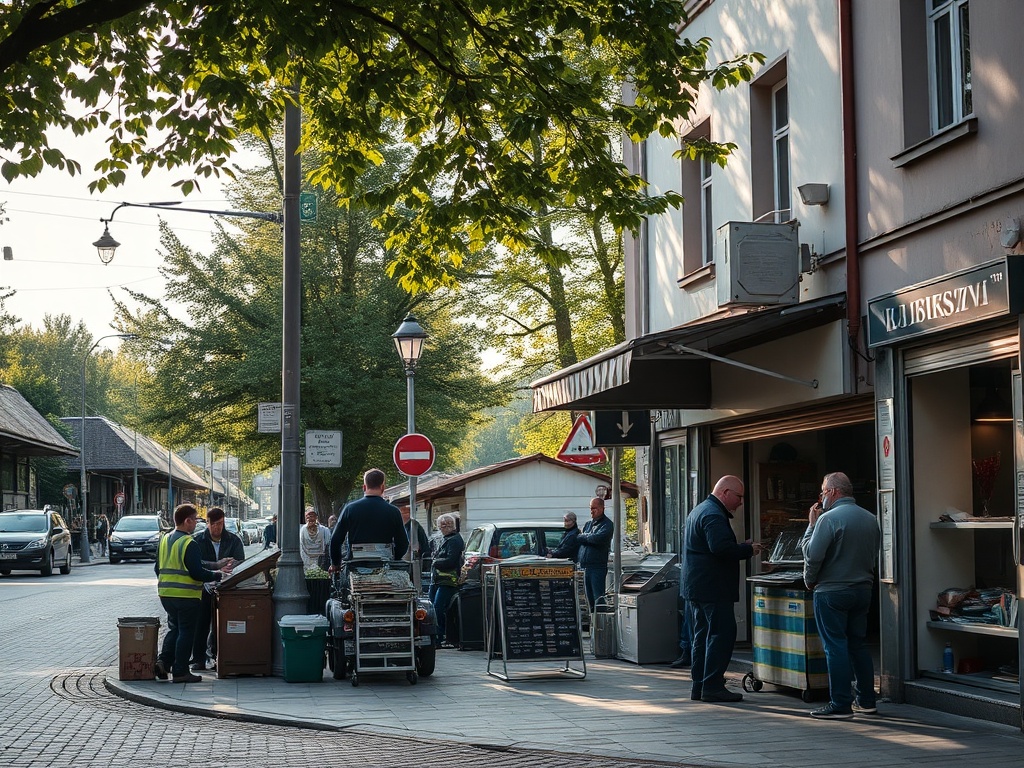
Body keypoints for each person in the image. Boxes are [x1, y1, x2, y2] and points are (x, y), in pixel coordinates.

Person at [802, 471, 880, 720]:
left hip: (832, 591)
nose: (821, 497)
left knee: (835, 646)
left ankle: (840, 703)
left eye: (823, 491)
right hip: (863, 590)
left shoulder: (828, 519)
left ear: (834, 492)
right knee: (858, 644)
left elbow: (812, 555)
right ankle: (867, 700)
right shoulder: (871, 519)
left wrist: (811, 526)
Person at [681, 475, 764, 703]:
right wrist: (748, 550)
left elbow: (713, 547)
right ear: (725, 492)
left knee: (702, 635)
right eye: (739, 496)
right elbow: (719, 548)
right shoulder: (713, 515)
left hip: (697, 587)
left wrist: (739, 547)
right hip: (713, 588)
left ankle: (699, 685)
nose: (741, 502)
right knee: (721, 635)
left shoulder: (700, 510)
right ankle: (713, 686)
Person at [154, 503, 231, 683]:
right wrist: (218, 575)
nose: (197, 523)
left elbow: (158, 567)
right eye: (195, 519)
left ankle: (163, 662)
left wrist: (215, 565)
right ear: (187, 521)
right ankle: (180, 671)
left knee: (175, 629)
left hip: (166, 594)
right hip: (186, 596)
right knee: (186, 632)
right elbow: (197, 572)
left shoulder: (165, 539)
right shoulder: (189, 542)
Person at [189, 506, 245, 671]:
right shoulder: (198, 541)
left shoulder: (233, 540)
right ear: (207, 523)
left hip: (226, 587)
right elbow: (196, 563)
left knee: (221, 624)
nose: (217, 527)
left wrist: (231, 565)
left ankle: (217, 656)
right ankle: (198, 658)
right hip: (204, 587)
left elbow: (240, 560)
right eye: (213, 524)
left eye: (220, 523)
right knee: (201, 623)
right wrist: (214, 568)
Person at [329, 468, 409, 565]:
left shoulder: (350, 509)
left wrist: (335, 564)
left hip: (356, 563)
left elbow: (335, 540)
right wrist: (395, 557)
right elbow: (403, 543)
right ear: (383, 488)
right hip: (384, 562)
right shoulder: (394, 511)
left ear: (364, 487)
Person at [429, 513, 465, 647]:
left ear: (453, 525)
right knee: (432, 607)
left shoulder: (455, 540)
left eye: (447, 524)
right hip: (438, 580)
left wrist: (435, 562)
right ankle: (436, 636)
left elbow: (451, 561)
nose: (444, 527)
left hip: (448, 580)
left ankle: (440, 637)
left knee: (438, 607)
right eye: (442, 525)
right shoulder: (444, 539)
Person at [576, 497, 614, 611]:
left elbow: (597, 538)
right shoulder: (588, 524)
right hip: (584, 566)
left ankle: (601, 623)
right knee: (588, 600)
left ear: (602, 508)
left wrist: (585, 537)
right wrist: (587, 537)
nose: (592, 511)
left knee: (598, 598)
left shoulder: (607, 524)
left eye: (595, 508)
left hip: (597, 566)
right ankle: (593, 622)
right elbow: (578, 537)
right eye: (591, 508)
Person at [299, 505, 331, 614]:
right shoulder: (302, 531)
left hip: (320, 567)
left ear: (316, 517)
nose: (311, 519)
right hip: (307, 566)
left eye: (312, 516)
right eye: (308, 517)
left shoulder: (324, 530)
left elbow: (327, 545)